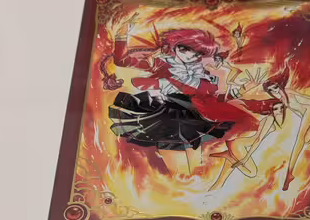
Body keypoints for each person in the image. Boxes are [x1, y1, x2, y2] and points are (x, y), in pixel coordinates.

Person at [104, 18, 256, 176]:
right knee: (179, 172)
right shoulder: (160, 63)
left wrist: (241, 90)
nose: (191, 55)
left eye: (197, 53)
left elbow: (211, 97)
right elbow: (122, 60)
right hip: (169, 115)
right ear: (175, 46)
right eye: (185, 49)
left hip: (196, 116)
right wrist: (121, 36)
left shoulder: (200, 71)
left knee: (196, 170)